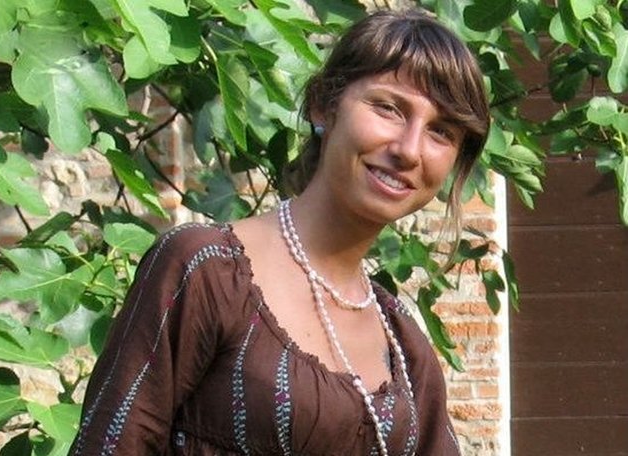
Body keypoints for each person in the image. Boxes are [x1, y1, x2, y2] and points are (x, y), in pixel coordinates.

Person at [69, 7, 489, 456]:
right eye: (388, 108)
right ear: (323, 104)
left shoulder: (405, 348)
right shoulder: (205, 271)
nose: (409, 150)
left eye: (441, 132)